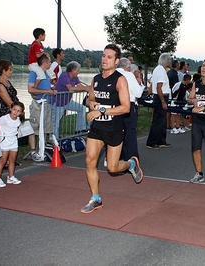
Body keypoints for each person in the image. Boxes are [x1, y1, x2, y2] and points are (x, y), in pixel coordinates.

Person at [81, 44, 143, 214]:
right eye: (103, 56)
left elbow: (125, 108)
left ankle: (131, 164)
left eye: (109, 57)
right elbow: (89, 99)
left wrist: (101, 110)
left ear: (116, 61)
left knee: (112, 168)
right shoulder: (96, 79)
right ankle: (96, 198)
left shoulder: (120, 79)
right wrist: (91, 103)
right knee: (89, 161)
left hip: (114, 128)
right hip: (97, 127)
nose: (104, 59)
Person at [0, 59, 40, 162]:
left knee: (29, 130)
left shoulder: (7, 82)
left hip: (18, 111)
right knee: (9, 136)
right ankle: (6, 160)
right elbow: (9, 102)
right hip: (9, 113)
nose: (11, 71)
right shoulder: (0, 85)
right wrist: (18, 111)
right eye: (9, 69)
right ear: (3, 70)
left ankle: (32, 152)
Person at [51, 61, 90, 139]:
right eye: (78, 70)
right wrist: (85, 88)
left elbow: (80, 86)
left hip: (67, 101)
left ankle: (80, 129)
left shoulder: (75, 77)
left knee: (81, 108)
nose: (78, 72)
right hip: (58, 102)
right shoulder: (64, 75)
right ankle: (55, 141)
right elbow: (70, 88)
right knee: (55, 123)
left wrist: (88, 88)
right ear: (73, 70)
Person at [116, 57, 144, 160]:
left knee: (116, 132)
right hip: (128, 104)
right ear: (128, 67)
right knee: (129, 132)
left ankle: (114, 157)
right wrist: (140, 84)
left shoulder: (111, 74)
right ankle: (130, 158)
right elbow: (138, 93)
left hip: (114, 106)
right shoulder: (128, 75)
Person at [0, 101, 25, 188]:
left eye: (18, 111)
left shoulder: (18, 120)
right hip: (4, 141)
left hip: (13, 141)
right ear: (10, 109)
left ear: (21, 112)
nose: (16, 112)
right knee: (3, 160)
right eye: (14, 109)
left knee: (12, 160)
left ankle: (11, 177)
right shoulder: (5, 118)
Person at [27, 54, 57, 141]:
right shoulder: (34, 74)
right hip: (38, 104)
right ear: (44, 63)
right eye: (49, 61)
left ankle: (42, 147)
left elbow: (46, 87)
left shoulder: (46, 73)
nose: (51, 63)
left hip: (47, 103)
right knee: (34, 127)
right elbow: (31, 89)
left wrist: (52, 89)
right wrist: (47, 91)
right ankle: (33, 149)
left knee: (45, 127)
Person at [146, 53, 172, 149]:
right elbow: (158, 87)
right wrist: (163, 101)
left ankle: (161, 140)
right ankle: (152, 141)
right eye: (169, 61)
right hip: (161, 96)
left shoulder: (158, 69)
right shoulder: (161, 71)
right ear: (167, 61)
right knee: (158, 121)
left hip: (160, 96)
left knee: (162, 120)